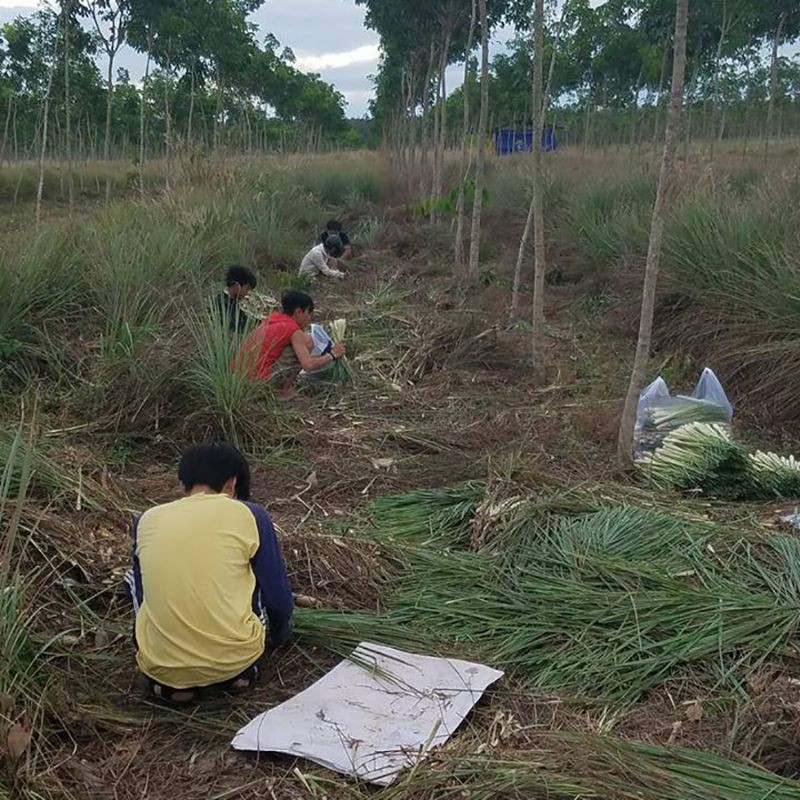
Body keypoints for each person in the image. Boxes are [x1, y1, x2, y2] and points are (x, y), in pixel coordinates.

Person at [124, 443, 293, 705]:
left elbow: (146, 595)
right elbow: (277, 597)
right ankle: (238, 675)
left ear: (183, 485)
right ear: (232, 485)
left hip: (161, 667)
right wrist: (280, 635)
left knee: (132, 580)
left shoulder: (145, 519)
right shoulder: (252, 514)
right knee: (250, 578)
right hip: (234, 660)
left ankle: (174, 686)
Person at [236, 290, 346, 383]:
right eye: (308, 313)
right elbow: (308, 365)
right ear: (298, 312)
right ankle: (284, 390)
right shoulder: (293, 330)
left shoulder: (273, 319)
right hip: (257, 381)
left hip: (239, 376)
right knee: (307, 341)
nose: (309, 318)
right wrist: (333, 354)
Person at [218, 265, 258, 333]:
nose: (247, 293)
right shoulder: (224, 306)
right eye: (247, 289)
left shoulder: (228, 302)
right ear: (237, 286)